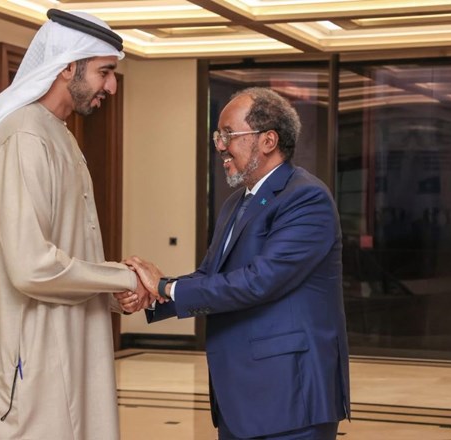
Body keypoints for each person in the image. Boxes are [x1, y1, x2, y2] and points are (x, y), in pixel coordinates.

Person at [119, 87, 350, 439]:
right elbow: (211, 276)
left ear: (268, 140)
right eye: (218, 136)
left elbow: (260, 281)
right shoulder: (236, 203)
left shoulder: (306, 197)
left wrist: (165, 286)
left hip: (289, 397)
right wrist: (154, 295)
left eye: (229, 134)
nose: (220, 146)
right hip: (240, 397)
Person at [0, 9, 144, 440]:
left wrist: (114, 291)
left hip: (68, 350)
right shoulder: (24, 136)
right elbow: (31, 267)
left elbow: (68, 251)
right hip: (31, 367)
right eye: (104, 72)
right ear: (67, 67)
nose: (112, 87)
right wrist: (123, 276)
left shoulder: (58, 134)